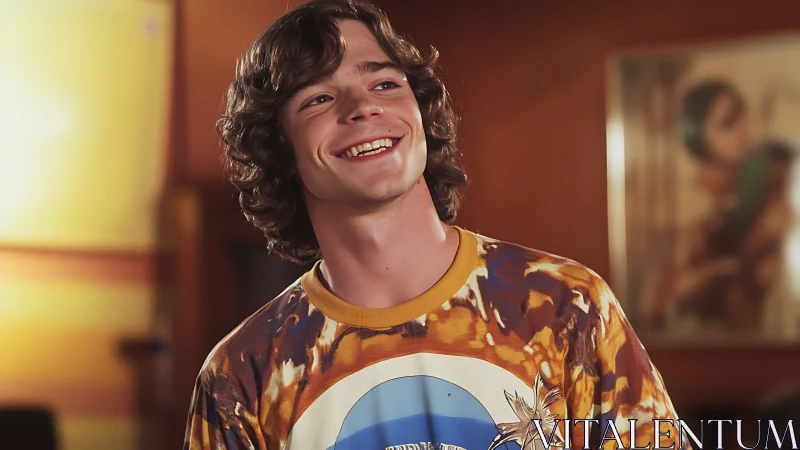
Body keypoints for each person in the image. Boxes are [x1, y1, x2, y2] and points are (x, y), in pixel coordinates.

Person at [184, 1, 688, 449]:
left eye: (383, 82)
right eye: (318, 98)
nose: (363, 108)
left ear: (421, 113)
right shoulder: (243, 375)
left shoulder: (564, 307)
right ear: (279, 148)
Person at [646, 80, 794, 333]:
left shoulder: (763, 182)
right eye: (727, 124)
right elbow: (660, 305)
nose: (743, 129)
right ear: (698, 138)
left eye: (741, 114)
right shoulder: (689, 208)